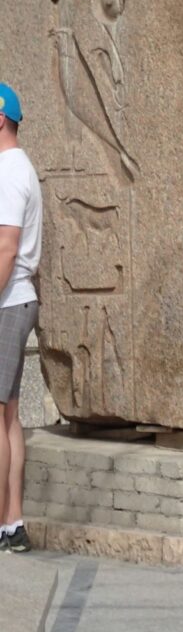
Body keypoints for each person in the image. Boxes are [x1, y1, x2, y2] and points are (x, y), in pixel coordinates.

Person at [0, 84, 42, 554]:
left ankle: (7, 520)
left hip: (7, 300)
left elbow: (6, 249)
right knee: (8, 416)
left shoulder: (9, 170)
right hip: (16, 299)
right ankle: (11, 523)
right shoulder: (16, 167)